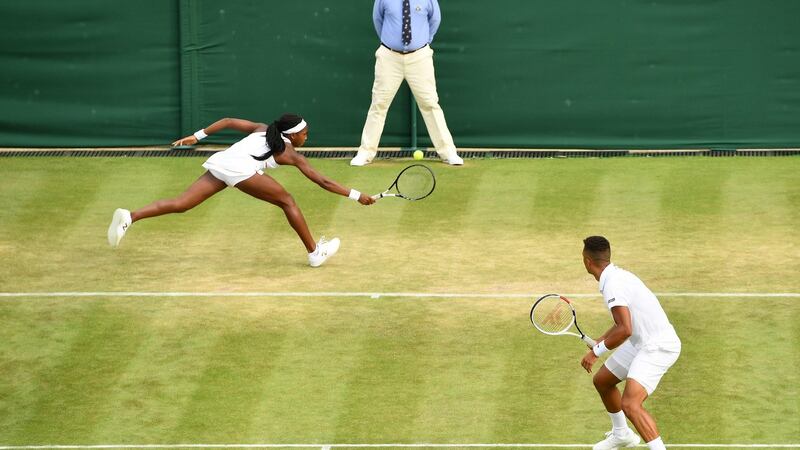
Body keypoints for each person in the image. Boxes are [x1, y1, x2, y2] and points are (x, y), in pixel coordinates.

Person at [107, 114, 375, 267]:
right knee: (288, 202)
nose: (307, 136)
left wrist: (197, 136)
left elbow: (228, 121)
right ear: (292, 136)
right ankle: (315, 253)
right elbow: (323, 182)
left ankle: (130, 217)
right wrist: (357, 195)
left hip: (223, 162)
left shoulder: (262, 129)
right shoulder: (288, 153)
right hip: (239, 169)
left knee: (183, 203)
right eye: (304, 133)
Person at [580, 236, 681, 450]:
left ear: (587, 261)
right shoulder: (617, 276)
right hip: (640, 342)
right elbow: (625, 324)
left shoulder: (613, 285)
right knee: (603, 381)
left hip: (658, 346)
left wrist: (596, 351)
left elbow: (625, 329)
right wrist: (601, 340)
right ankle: (622, 434)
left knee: (630, 404)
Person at [350, 0, 463, 166]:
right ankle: (365, 153)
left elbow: (435, 20)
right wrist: (391, 43)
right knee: (379, 104)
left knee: (430, 104)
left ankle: (448, 153)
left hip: (420, 57)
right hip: (389, 57)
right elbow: (378, 21)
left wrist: (422, 42)